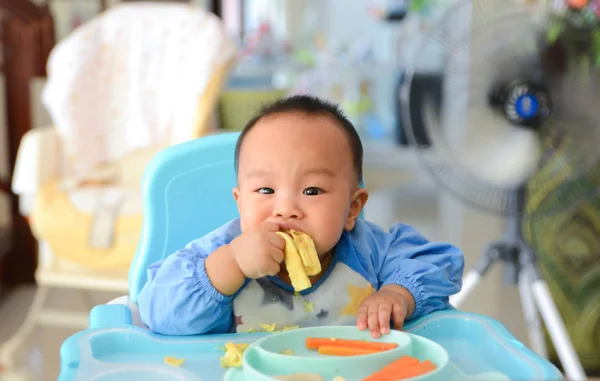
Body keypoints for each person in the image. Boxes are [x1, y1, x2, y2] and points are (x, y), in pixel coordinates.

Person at [137, 95, 464, 338]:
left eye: (311, 191)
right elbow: (158, 312)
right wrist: (231, 265)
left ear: (352, 209)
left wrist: (397, 294)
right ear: (240, 203)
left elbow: (438, 264)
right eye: (265, 191)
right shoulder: (221, 252)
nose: (285, 208)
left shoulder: (370, 249)